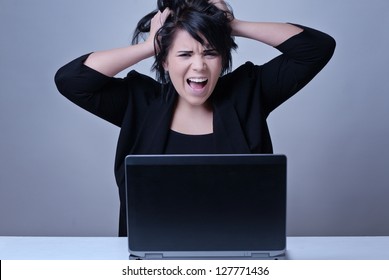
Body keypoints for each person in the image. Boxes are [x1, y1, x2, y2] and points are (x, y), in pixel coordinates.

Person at [55, 0, 335, 236]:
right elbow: (71, 80)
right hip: (153, 265)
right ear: (165, 61)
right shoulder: (139, 103)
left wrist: (231, 26)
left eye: (210, 53)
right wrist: (149, 46)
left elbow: (316, 49)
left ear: (223, 58)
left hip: (241, 261)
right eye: (185, 54)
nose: (199, 65)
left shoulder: (249, 92)